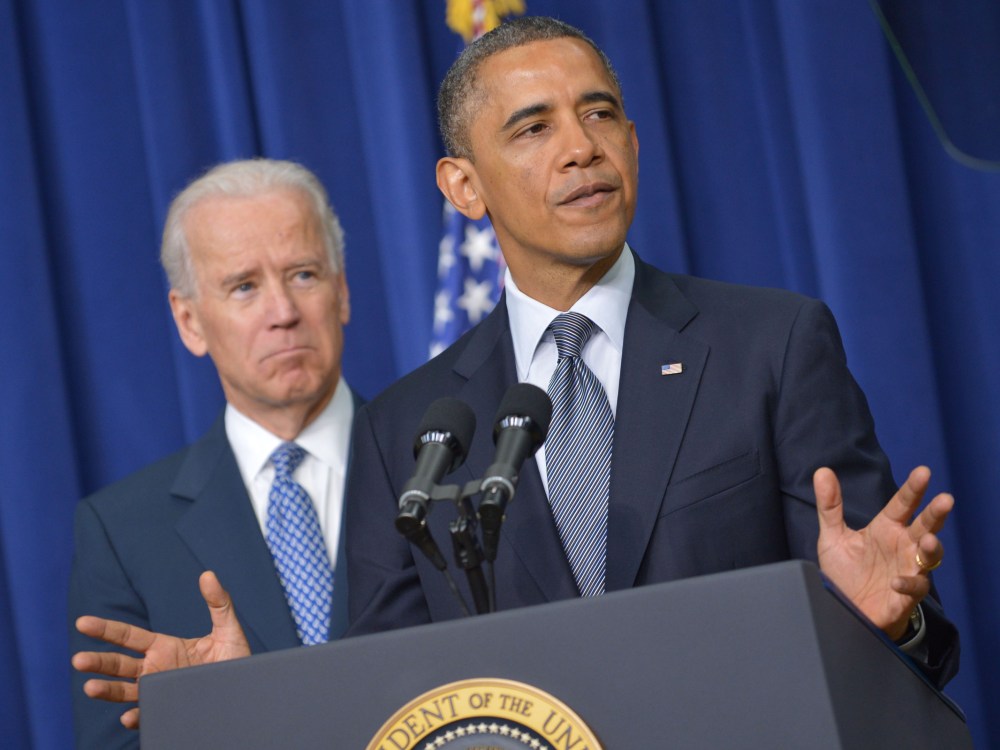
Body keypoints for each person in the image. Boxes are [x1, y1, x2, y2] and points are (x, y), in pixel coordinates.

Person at [73, 16, 959, 726]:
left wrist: (896, 621)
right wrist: (241, 707)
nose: (581, 147)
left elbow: (905, 637)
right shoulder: (411, 428)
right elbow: (394, 706)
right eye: (533, 128)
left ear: (635, 142)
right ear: (463, 187)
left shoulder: (773, 343)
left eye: (600, 112)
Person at [68, 158, 357, 745]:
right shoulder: (122, 532)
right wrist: (209, 718)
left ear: (341, 290)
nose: (283, 313)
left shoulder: (445, 459)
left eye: (303, 274)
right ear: (190, 321)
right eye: (244, 286)